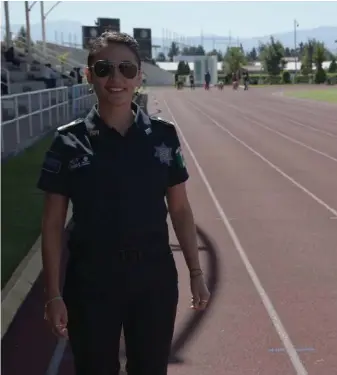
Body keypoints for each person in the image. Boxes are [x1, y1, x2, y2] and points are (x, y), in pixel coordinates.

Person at [37, 31, 210, 375]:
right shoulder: (67, 141)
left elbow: (180, 210)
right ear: (89, 76)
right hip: (91, 282)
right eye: (104, 68)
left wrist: (194, 272)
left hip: (153, 280)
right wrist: (54, 294)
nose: (116, 79)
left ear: (139, 77)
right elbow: (53, 225)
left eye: (126, 69)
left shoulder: (163, 137)